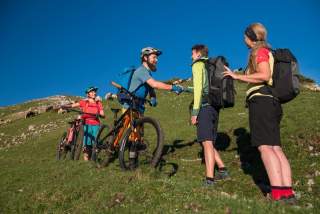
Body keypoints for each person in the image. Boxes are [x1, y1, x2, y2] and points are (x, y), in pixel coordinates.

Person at [223, 23, 296, 203]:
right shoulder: (267, 51)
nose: (243, 39)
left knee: (265, 147)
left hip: (262, 102)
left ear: (250, 36)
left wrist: (237, 76)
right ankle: (287, 192)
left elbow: (264, 75)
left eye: (245, 36)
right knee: (276, 148)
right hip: (272, 102)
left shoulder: (259, 52)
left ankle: (278, 193)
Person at [186, 44, 229, 186]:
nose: (191, 56)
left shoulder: (197, 65)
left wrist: (194, 112)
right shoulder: (208, 65)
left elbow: (199, 89)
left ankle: (209, 179)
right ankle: (222, 169)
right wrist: (186, 89)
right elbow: (203, 87)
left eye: (192, 53)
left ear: (198, 54)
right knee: (208, 141)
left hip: (204, 107)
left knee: (207, 142)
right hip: (214, 107)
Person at [121, 47, 184, 113]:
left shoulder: (148, 74)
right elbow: (154, 84)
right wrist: (173, 87)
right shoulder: (141, 70)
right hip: (130, 107)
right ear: (145, 58)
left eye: (156, 58)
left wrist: (153, 97)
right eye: (154, 57)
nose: (156, 60)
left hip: (139, 108)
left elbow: (151, 90)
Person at [63, 86, 105, 161]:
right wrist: (66, 106)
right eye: (92, 92)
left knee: (96, 141)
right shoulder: (84, 102)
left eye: (95, 92)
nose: (94, 93)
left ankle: (94, 158)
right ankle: (86, 160)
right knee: (87, 141)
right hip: (86, 123)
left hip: (96, 124)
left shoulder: (98, 103)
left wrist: (101, 115)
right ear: (88, 94)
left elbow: (102, 112)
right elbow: (74, 105)